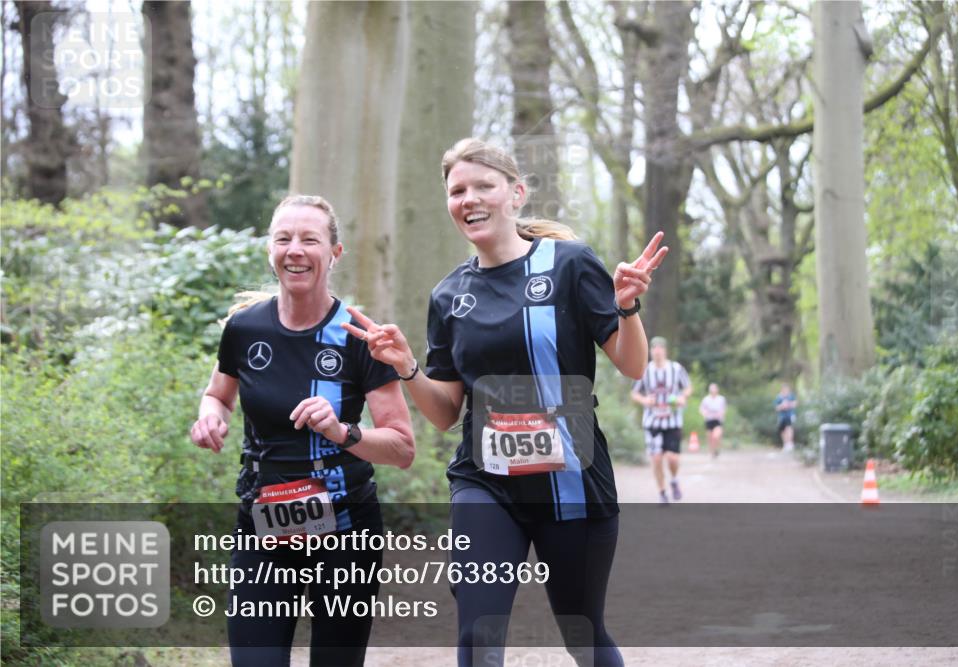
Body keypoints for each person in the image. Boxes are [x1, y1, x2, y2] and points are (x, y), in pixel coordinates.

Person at [341, 137, 666, 667]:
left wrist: (627, 309)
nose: (468, 198)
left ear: (514, 194)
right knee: (478, 632)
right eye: (456, 190)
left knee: (583, 634)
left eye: (482, 186)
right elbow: (446, 413)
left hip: (572, 479)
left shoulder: (570, 264)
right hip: (485, 482)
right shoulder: (449, 296)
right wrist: (406, 369)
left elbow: (633, 366)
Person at [190, 194, 415, 667]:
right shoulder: (245, 328)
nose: (295, 249)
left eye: (309, 239)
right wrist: (211, 416)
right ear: (270, 251)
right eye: (283, 238)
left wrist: (342, 432)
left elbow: (401, 448)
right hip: (264, 527)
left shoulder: (357, 335)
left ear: (334, 253)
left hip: (346, 530)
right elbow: (218, 394)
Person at [629, 337, 692, 503]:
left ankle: (674, 480)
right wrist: (645, 401)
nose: (657, 351)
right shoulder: (645, 371)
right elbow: (634, 393)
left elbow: (687, 388)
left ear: (665, 351)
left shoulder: (676, 369)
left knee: (672, 458)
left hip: (673, 420)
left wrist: (681, 398)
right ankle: (662, 492)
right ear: (650, 351)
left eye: (660, 348)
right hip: (652, 422)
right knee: (656, 458)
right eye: (654, 348)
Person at [699, 383, 727, 459]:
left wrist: (721, 414)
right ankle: (712, 451)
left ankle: (716, 449)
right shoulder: (706, 399)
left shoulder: (721, 399)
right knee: (710, 437)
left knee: (716, 436)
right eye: (712, 389)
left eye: (714, 389)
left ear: (717, 390)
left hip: (718, 420)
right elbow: (701, 408)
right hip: (709, 420)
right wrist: (704, 413)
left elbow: (724, 409)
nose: (713, 390)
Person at [775, 383, 797, 452]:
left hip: (789, 415)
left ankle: (790, 443)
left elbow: (795, 404)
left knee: (789, 428)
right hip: (782, 416)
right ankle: (785, 444)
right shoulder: (779, 397)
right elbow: (777, 408)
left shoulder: (791, 396)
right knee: (782, 430)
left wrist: (788, 404)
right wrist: (782, 406)